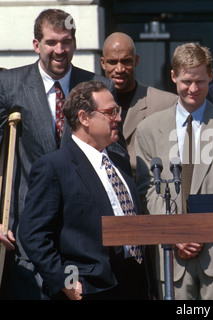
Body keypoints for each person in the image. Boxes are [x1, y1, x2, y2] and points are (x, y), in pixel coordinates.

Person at [0, 8, 117, 299]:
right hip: (26, 235)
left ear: (75, 43)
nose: (60, 50)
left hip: (81, 237)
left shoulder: (98, 88)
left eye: (66, 41)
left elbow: (113, 156)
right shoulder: (9, 84)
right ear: (36, 44)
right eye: (52, 42)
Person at [134, 42, 213, 300]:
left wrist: (200, 231)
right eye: (186, 81)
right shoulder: (148, 129)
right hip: (171, 258)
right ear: (174, 76)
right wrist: (175, 233)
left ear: (211, 76)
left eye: (200, 81)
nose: (193, 89)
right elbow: (147, 191)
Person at [19, 80, 151, 300]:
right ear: (84, 118)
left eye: (117, 111)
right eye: (110, 112)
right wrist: (65, 282)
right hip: (90, 288)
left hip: (134, 282)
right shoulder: (54, 166)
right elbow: (33, 234)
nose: (118, 118)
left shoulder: (119, 158)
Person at [101, 32, 178, 174]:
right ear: (103, 63)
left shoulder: (166, 103)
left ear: (136, 61)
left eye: (126, 61)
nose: (119, 69)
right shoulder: (88, 105)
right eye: (112, 62)